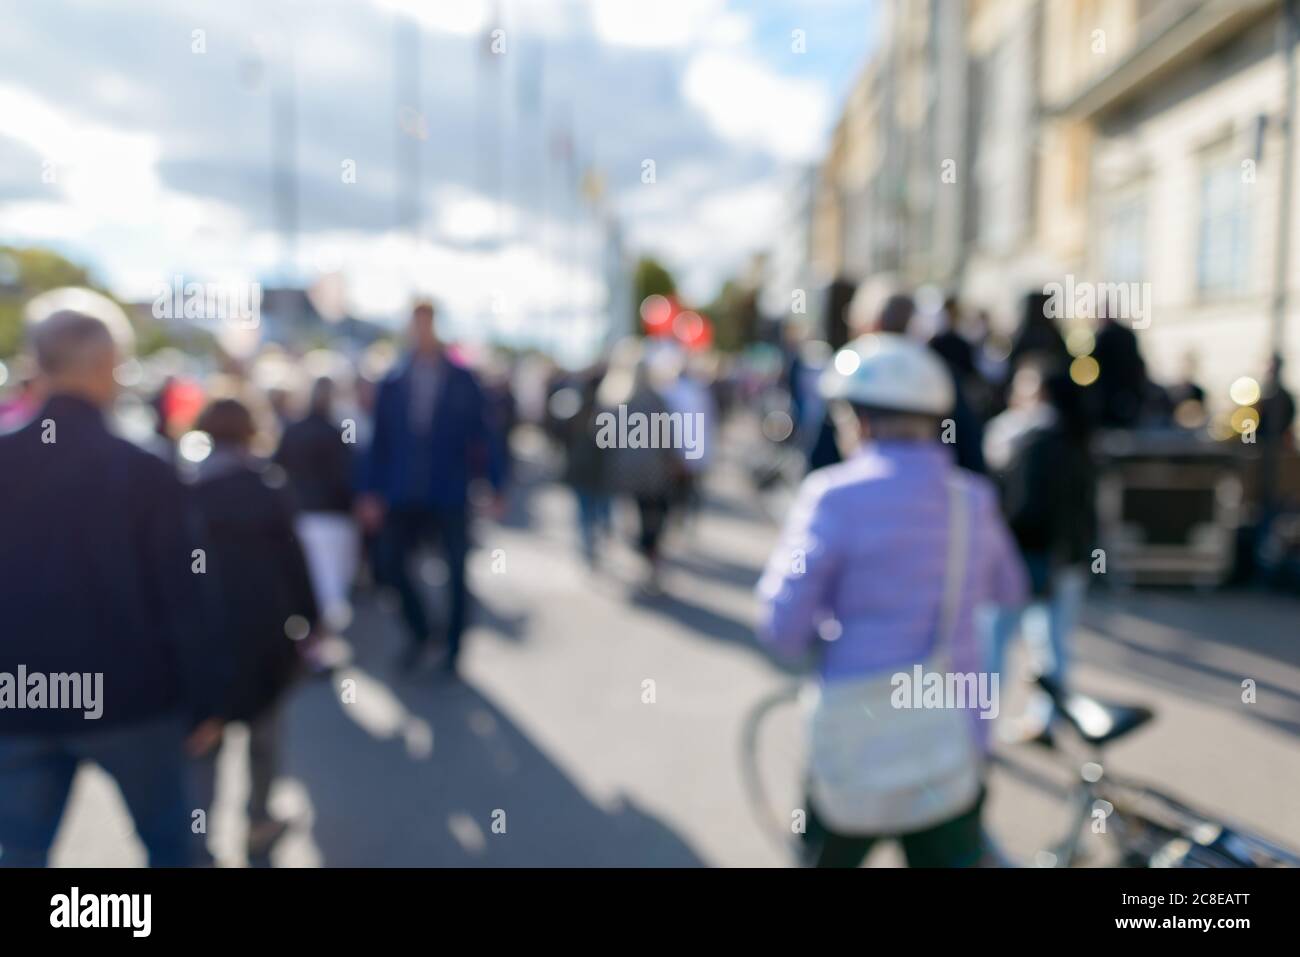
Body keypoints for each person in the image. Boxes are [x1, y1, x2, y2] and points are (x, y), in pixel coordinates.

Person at [756, 333, 1027, 868]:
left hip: (854, 741)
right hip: (952, 736)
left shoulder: (832, 496)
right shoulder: (971, 499)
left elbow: (782, 629)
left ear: (858, 420)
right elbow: (1010, 591)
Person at [0, 291, 226, 867]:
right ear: (107, 368)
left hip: (19, 699)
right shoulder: (144, 469)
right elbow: (185, 594)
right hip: (134, 700)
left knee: (22, 853)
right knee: (172, 847)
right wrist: (205, 700)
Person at [190, 398, 319, 863]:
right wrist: (312, 619)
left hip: (206, 637)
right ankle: (258, 820)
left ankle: (198, 839)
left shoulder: (189, 489)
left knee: (206, 741)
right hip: (265, 634)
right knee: (265, 736)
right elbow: (295, 561)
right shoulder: (269, 489)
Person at [357, 301, 506, 676]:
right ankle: (423, 632)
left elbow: (485, 435)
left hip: (450, 491)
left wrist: (495, 483)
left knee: (456, 570)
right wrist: (370, 491)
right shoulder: (393, 381)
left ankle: (454, 652)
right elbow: (380, 442)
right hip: (404, 491)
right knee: (389, 563)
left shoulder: (462, 378)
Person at [982, 361, 1096, 737]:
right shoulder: (1074, 437)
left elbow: (1025, 509)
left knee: (997, 641)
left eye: (1023, 387)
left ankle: (980, 722)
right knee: (1052, 643)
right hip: (1067, 556)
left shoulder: (1031, 440)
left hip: (1030, 556)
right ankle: (1049, 718)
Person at [275, 376, 359, 638]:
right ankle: (321, 642)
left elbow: (278, 469)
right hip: (331, 516)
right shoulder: (337, 431)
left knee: (318, 582)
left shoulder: (296, 429)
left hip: (309, 515)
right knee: (330, 584)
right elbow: (350, 475)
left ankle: (319, 640)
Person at [598, 344, 683, 594]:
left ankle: (642, 563)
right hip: (652, 472)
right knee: (652, 520)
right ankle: (650, 566)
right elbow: (667, 438)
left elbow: (604, 439)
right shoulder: (655, 398)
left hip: (624, 472)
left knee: (632, 518)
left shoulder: (615, 398)